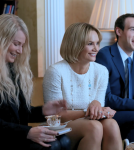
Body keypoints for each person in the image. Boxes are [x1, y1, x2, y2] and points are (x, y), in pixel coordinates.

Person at [43, 22, 122, 150]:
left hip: (90, 121)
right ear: (75, 45)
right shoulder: (55, 71)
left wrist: (98, 106)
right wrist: (87, 112)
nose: (96, 49)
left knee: (111, 124)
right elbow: (56, 115)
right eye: (90, 44)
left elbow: (98, 104)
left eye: (97, 43)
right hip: (62, 126)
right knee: (94, 127)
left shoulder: (101, 71)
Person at [0, 14, 71, 150]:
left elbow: (18, 114)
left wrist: (44, 111)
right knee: (52, 145)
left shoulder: (12, 71)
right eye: (16, 44)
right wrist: (27, 132)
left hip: (15, 136)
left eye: (22, 45)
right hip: (6, 138)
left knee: (64, 140)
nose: (20, 51)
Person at [96, 13, 134, 143]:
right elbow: (105, 97)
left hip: (130, 112)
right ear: (118, 31)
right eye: (133, 29)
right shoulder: (104, 55)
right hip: (108, 113)